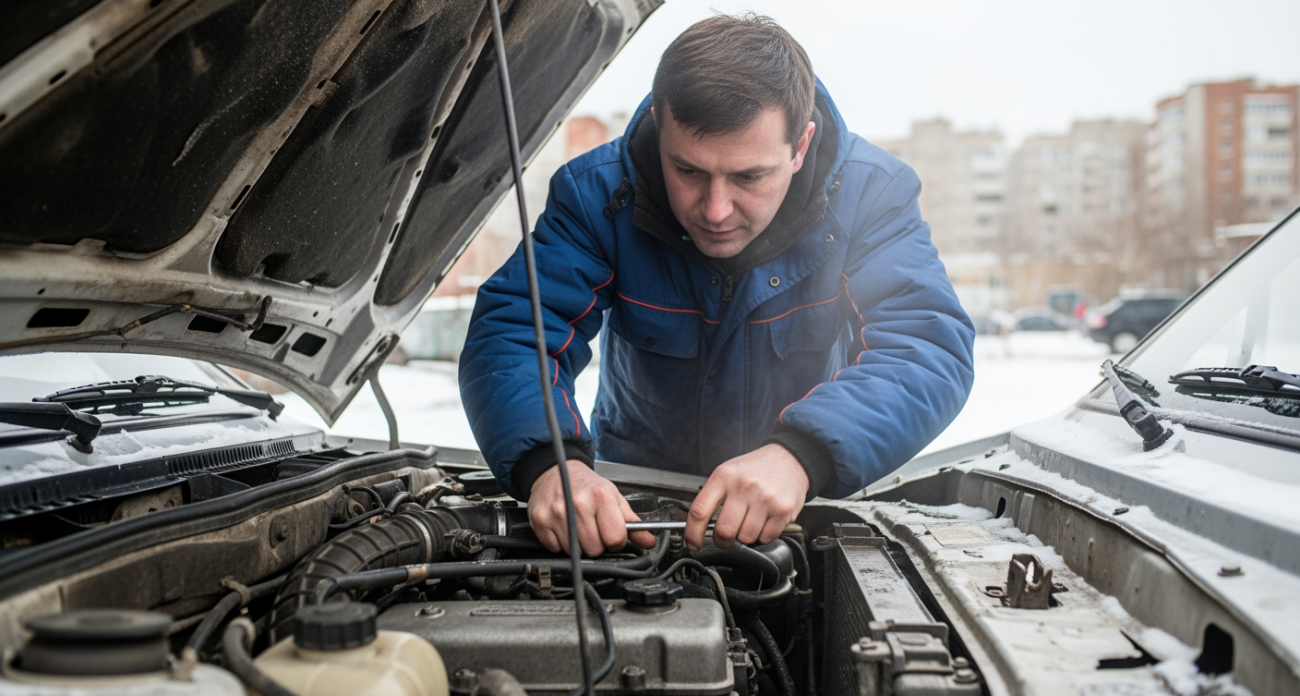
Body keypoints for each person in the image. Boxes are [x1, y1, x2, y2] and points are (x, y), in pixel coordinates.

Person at [459, 14, 974, 557]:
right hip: (633, 510)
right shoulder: (597, 195)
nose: (715, 209)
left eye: (750, 177)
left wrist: (803, 455)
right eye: (689, 171)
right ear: (660, 125)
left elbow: (926, 347)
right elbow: (516, 329)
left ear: (801, 146)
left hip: (801, 506)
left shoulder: (871, 196)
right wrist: (550, 464)